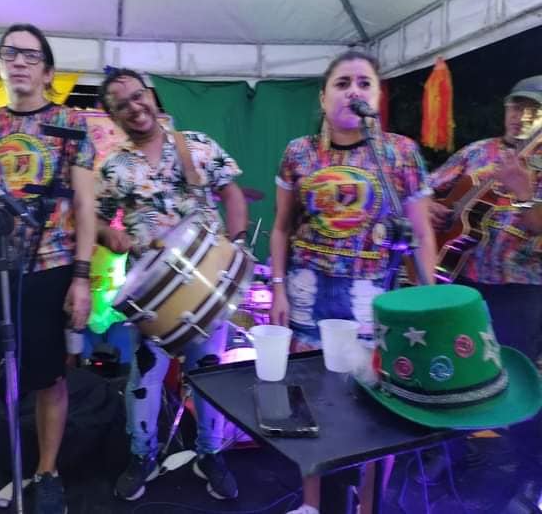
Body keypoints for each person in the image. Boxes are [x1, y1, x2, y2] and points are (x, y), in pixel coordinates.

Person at [269, 50, 436, 514]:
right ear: (323, 97)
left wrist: (427, 299)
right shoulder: (299, 152)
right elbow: (281, 227)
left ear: (377, 97)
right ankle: (311, 503)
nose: (353, 91)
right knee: (308, 400)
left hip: (371, 295)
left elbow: (421, 234)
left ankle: (367, 505)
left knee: (373, 404)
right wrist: (278, 286)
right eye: (342, 83)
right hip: (308, 291)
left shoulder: (400, 153)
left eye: (364, 83)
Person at [96, 68, 248, 501]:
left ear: (151, 95)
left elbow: (232, 194)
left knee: (209, 374)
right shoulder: (114, 166)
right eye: (121, 105)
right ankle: (141, 454)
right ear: (113, 116)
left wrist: (237, 244)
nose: (134, 107)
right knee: (144, 377)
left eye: (137, 96)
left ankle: (210, 453)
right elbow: (96, 220)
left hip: (206, 283)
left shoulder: (196, 144)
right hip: (152, 295)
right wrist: (110, 236)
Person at [0, 23, 95, 514]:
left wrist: (82, 277)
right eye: (10, 53)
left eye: (31, 55)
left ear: (48, 72)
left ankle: (47, 471)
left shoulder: (70, 124)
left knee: (48, 378)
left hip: (51, 266)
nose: (19, 61)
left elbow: (85, 205)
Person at [429, 76, 542, 361]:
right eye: (515, 107)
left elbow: (538, 227)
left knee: (512, 366)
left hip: (519, 288)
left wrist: (524, 194)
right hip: (459, 275)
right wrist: (429, 205)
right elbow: (423, 189)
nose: (520, 116)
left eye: (532, 110)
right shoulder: (477, 151)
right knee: (458, 362)